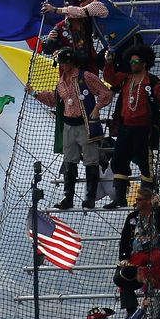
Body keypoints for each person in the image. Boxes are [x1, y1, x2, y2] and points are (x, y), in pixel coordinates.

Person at [35, 48, 113, 209]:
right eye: (61, 63)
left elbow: (105, 93)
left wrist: (97, 108)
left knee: (91, 161)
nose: (63, 66)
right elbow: (53, 100)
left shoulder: (86, 77)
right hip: (68, 125)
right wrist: (35, 93)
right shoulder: (61, 82)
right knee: (69, 161)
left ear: (72, 61)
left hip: (85, 125)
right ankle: (68, 197)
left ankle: (90, 197)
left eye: (66, 62)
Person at [103, 44, 160, 208]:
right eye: (131, 62)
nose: (133, 64)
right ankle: (119, 197)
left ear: (144, 63)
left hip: (144, 129)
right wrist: (109, 62)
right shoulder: (126, 78)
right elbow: (110, 78)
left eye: (136, 61)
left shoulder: (152, 81)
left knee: (145, 163)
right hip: (125, 127)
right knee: (118, 160)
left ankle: (146, 197)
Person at [38, 0, 107, 65]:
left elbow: (82, 12)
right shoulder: (59, 27)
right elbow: (47, 50)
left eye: (71, 10)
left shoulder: (88, 21)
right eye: (67, 11)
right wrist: (50, 40)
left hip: (89, 65)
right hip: (69, 69)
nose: (69, 15)